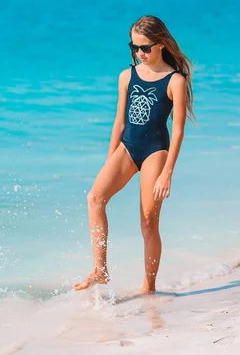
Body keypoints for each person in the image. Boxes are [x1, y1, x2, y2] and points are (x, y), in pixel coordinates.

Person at [74, 15, 195, 294]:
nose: (139, 53)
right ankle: (100, 270)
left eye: (145, 48)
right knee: (95, 198)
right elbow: (119, 121)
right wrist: (110, 159)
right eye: (134, 47)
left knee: (148, 221)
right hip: (127, 148)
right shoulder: (126, 75)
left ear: (161, 44)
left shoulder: (174, 81)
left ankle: (148, 287)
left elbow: (177, 132)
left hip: (155, 152)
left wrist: (167, 173)